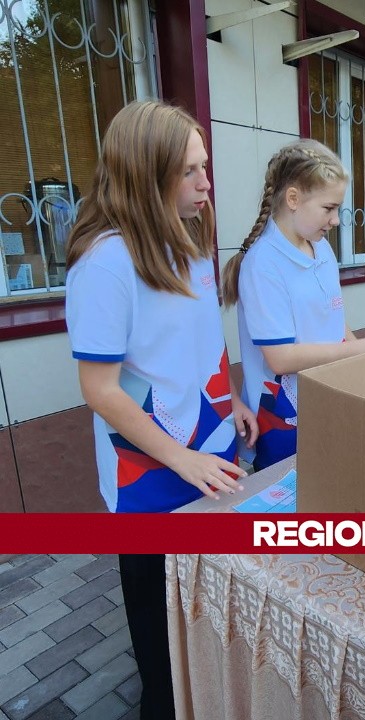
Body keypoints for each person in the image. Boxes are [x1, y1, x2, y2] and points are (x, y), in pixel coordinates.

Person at [65, 100, 258, 720]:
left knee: (208, 616)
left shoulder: (191, 237)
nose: (207, 183)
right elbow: (100, 389)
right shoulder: (104, 265)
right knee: (161, 648)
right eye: (190, 171)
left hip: (212, 450)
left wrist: (236, 401)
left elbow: (203, 340)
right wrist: (183, 459)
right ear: (145, 176)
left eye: (206, 166)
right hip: (151, 480)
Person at [221, 139, 365, 470]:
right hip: (284, 418)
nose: (336, 220)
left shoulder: (321, 249)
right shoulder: (263, 263)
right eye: (328, 208)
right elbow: (280, 359)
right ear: (293, 198)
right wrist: (362, 349)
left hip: (327, 397)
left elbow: (335, 321)